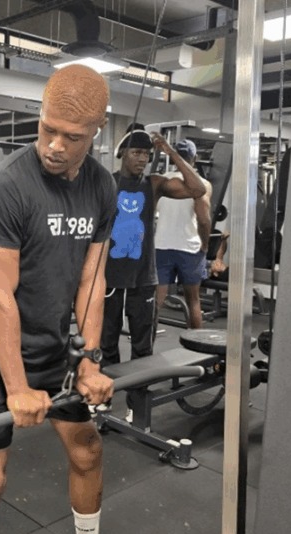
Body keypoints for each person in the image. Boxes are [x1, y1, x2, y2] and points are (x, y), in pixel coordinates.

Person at [0, 64, 123, 534]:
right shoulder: (6, 186)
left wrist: (90, 361)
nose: (54, 145)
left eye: (72, 137)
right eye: (47, 128)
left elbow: (92, 280)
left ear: (97, 130)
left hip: (52, 347)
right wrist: (17, 388)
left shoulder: (101, 186)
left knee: (88, 449)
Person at [101, 128, 209, 367]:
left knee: (143, 346)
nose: (142, 159)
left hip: (143, 277)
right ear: (122, 153)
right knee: (106, 343)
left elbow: (198, 189)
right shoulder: (108, 182)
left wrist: (171, 152)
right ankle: (107, 388)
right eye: (136, 152)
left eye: (146, 154)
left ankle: (139, 391)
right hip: (110, 275)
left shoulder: (154, 184)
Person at [154, 139, 214, 329]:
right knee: (193, 301)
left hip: (161, 246)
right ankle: (197, 344)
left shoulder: (161, 182)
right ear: (194, 158)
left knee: (155, 301)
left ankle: (145, 342)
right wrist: (205, 245)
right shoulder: (203, 184)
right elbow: (204, 220)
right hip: (190, 248)